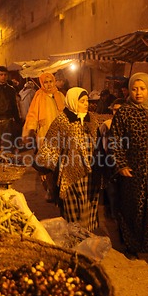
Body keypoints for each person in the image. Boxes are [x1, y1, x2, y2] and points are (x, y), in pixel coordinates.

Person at [110, 72, 148, 258]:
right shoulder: (124, 112)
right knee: (133, 208)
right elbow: (115, 140)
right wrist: (121, 164)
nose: (138, 93)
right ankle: (131, 245)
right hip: (133, 171)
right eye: (134, 89)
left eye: (142, 89)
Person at [36, 87, 102, 231]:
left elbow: (99, 144)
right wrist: (43, 169)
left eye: (86, 101)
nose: (86, 104)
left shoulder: (92, 120)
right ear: (73, 101)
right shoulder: (62, 120)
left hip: (90, 172)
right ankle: (73, 237)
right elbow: (51, 145)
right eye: (82, 101)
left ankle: (87, 236)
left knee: (88, 205)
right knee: (73, 206)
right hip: (69, 172)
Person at [22, 72, 65, 150]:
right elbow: (33, 114)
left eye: (50, 81)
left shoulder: (60, 95)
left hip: (59, 130)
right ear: (42, 83)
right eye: (46, 82)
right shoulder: (39, 96)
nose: (49, 84)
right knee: (46, 155)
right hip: (45, 130)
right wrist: (30, 130)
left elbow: (65, 112)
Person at [99, 98, 125, 220]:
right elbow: (103, 144)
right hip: (110, 161)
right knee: (112, 190)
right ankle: (114, 214)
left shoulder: (130, 123)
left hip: (125, 163)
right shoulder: (107, 124)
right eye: (115, 110)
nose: (117, 112)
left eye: (120, 110)